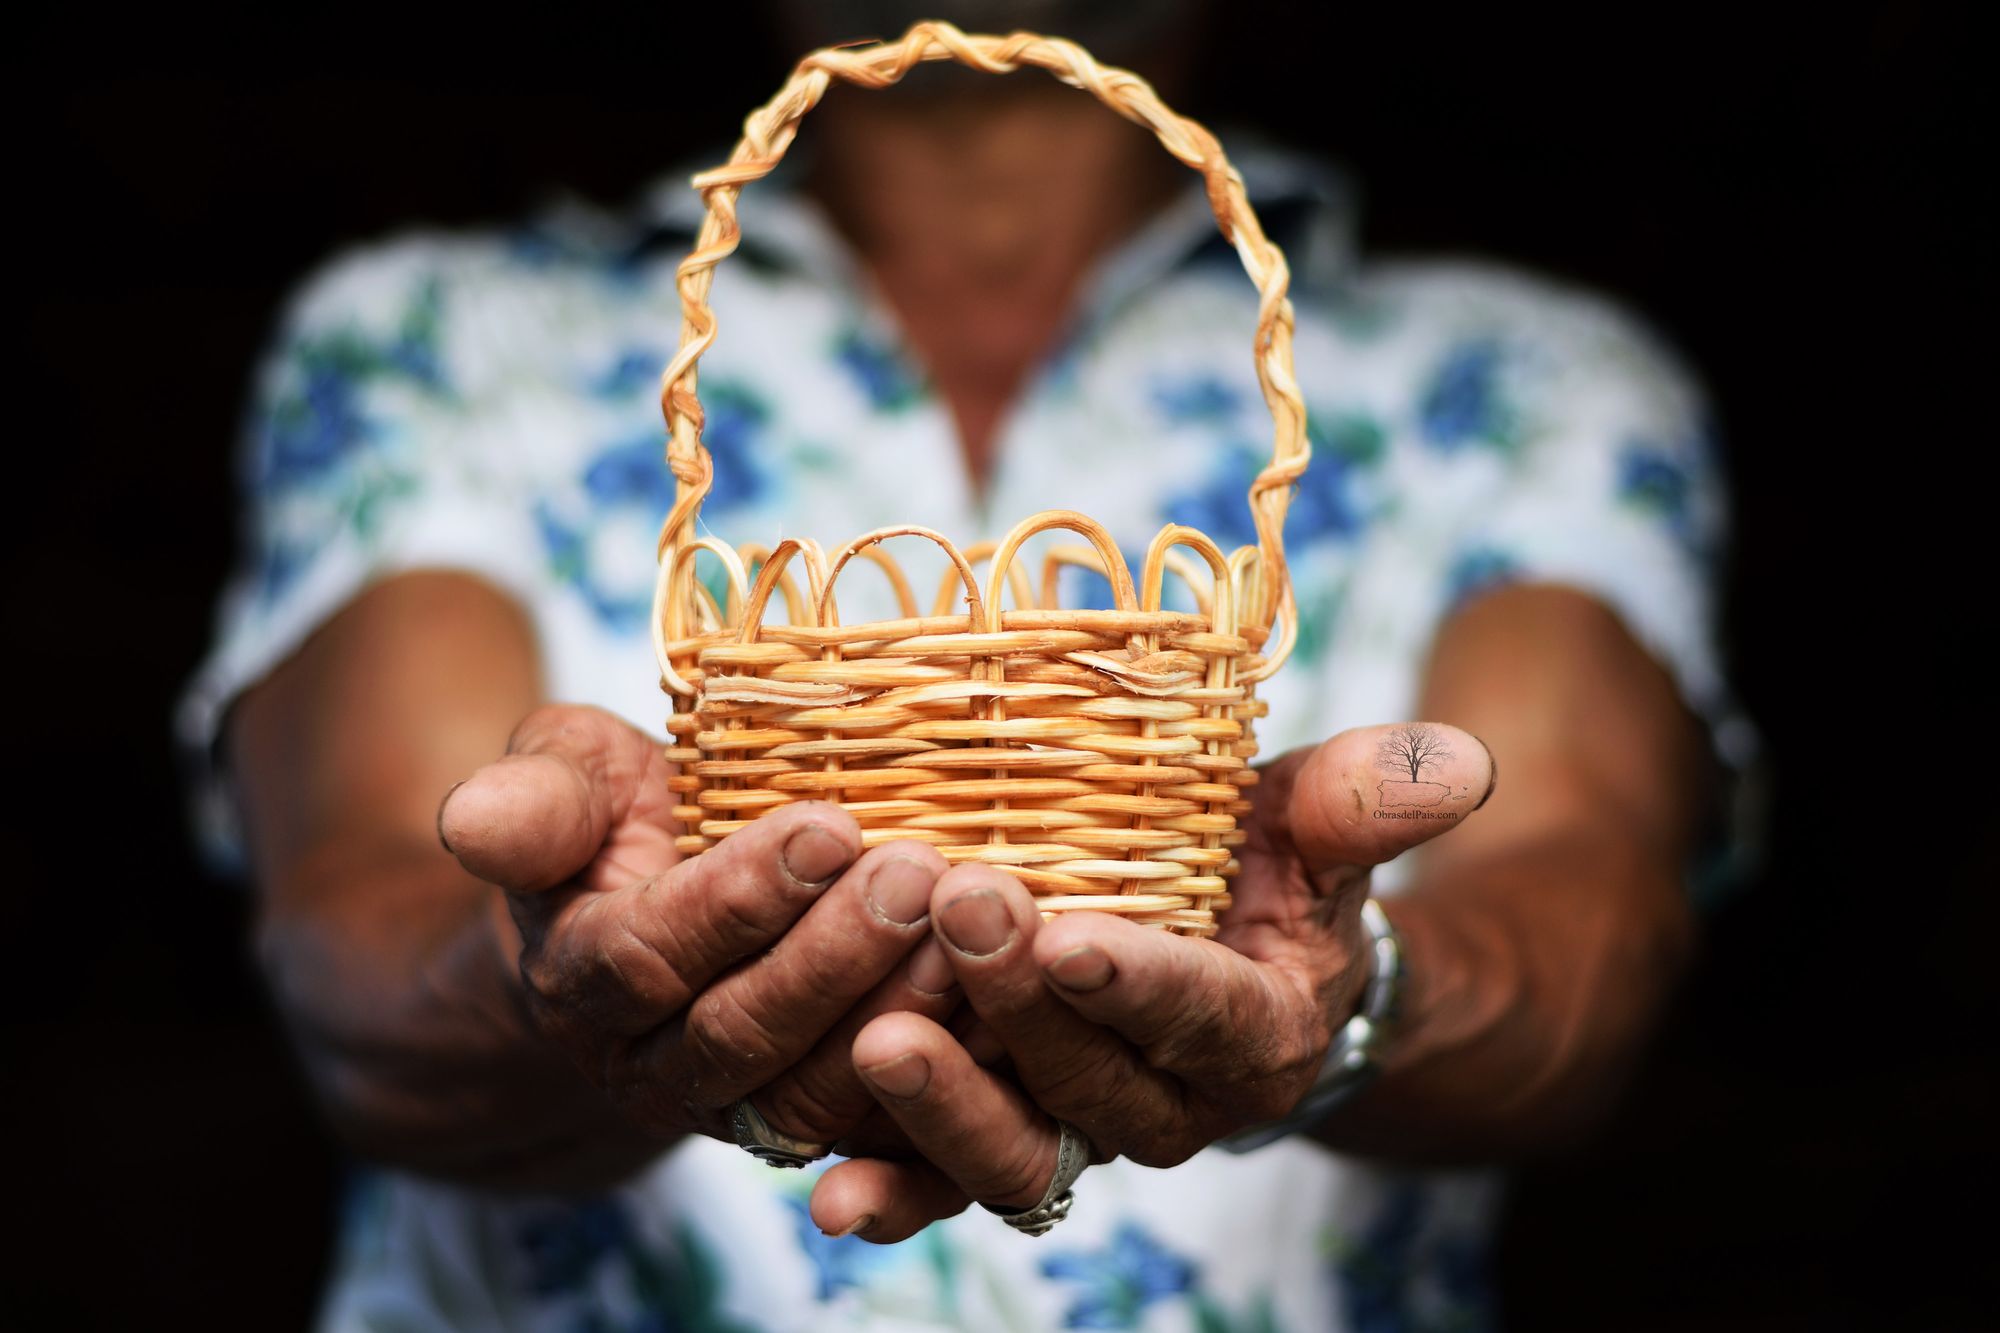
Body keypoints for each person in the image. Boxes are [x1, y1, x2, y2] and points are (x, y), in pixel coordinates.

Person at [178, 11, 1752, 1331]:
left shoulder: (1521, 384)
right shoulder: (439, 344)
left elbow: (1579, 926)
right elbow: (359, 936)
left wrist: (1353, 997)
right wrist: (574, 980)